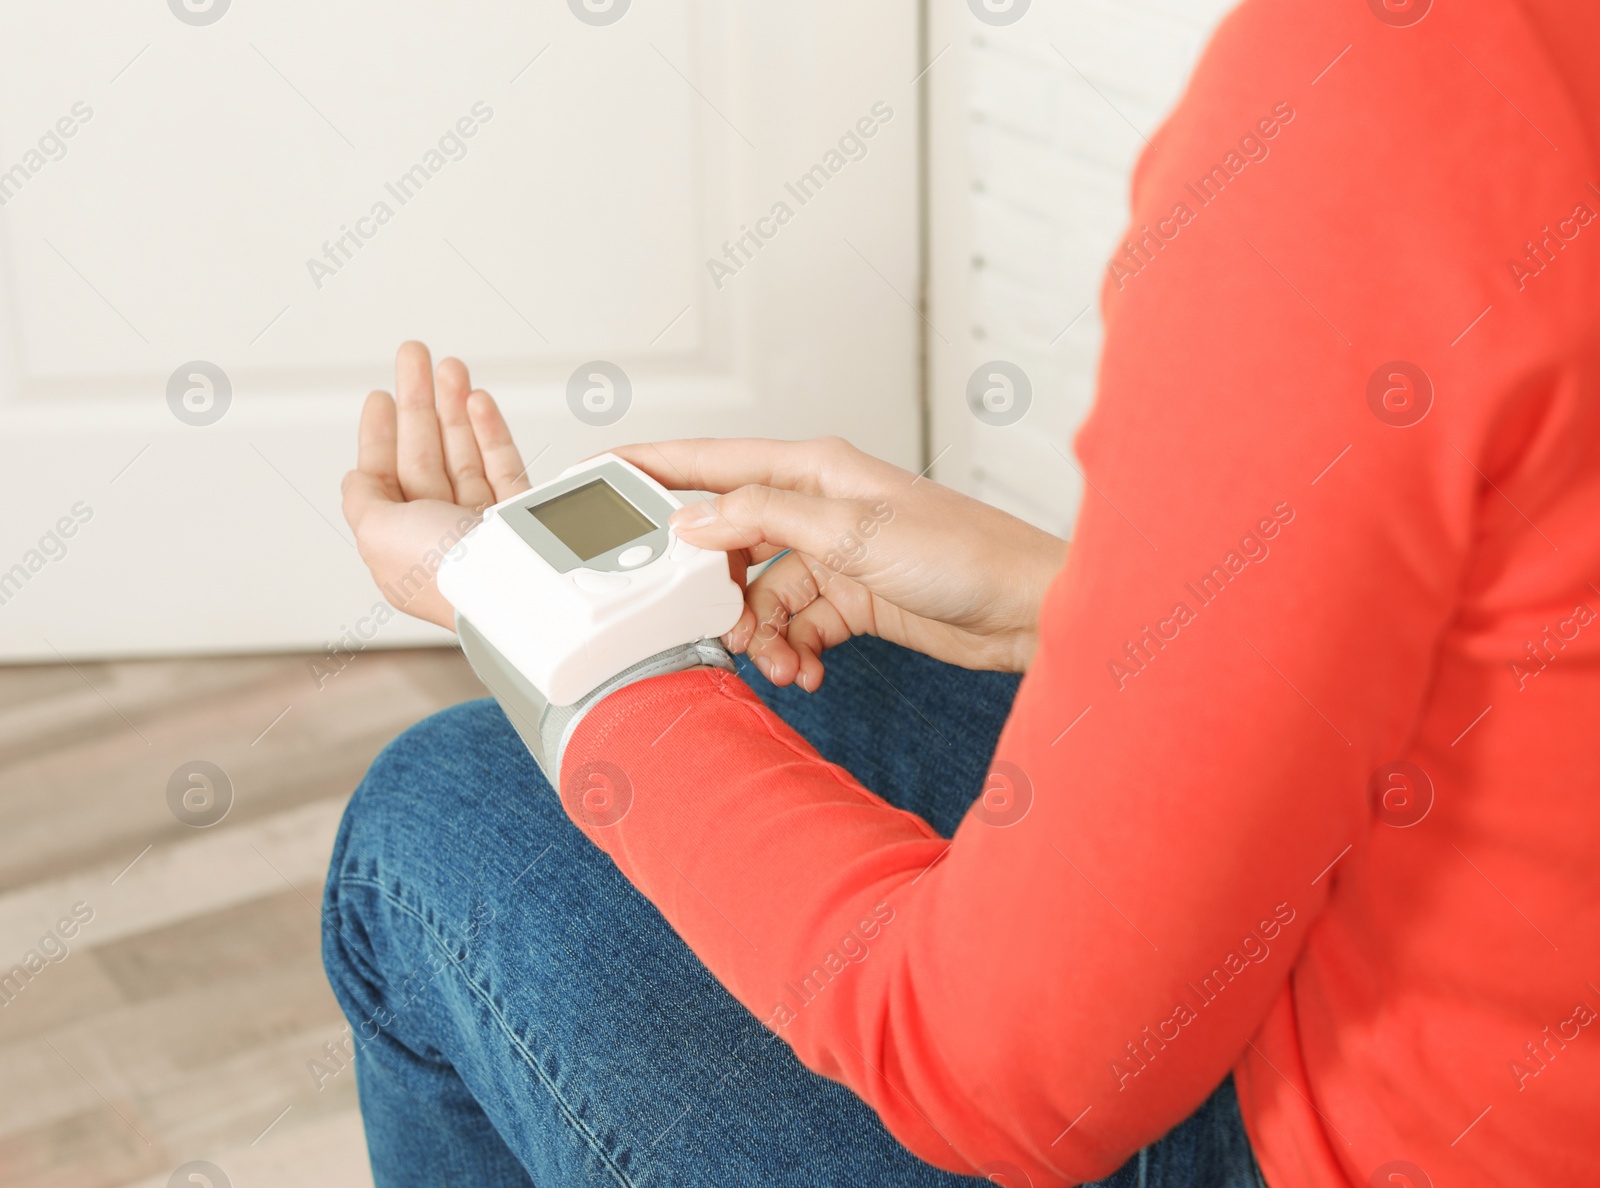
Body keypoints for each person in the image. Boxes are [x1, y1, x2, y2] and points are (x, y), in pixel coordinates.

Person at [322, 0, 1600, 1184]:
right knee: (841, 690)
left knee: (437, 816)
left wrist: (571, 657)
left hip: (1356, 1138)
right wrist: (1064, 599)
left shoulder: (1393, 100)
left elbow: (1002, 1083)